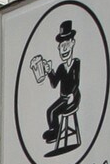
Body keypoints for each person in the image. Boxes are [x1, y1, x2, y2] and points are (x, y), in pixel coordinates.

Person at [29, 16, 82, 155]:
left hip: (73, 97)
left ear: (72, 43)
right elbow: (54, 83)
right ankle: (55, 131)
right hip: (63, 98)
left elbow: (76, 82)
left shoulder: (76, 63)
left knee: (55, 111)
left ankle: (55, 132)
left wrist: (72, 94)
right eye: (60, 47)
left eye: (65, 46)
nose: (63, 50)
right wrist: (48, 71)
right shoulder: (60, 67)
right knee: (50, 111)